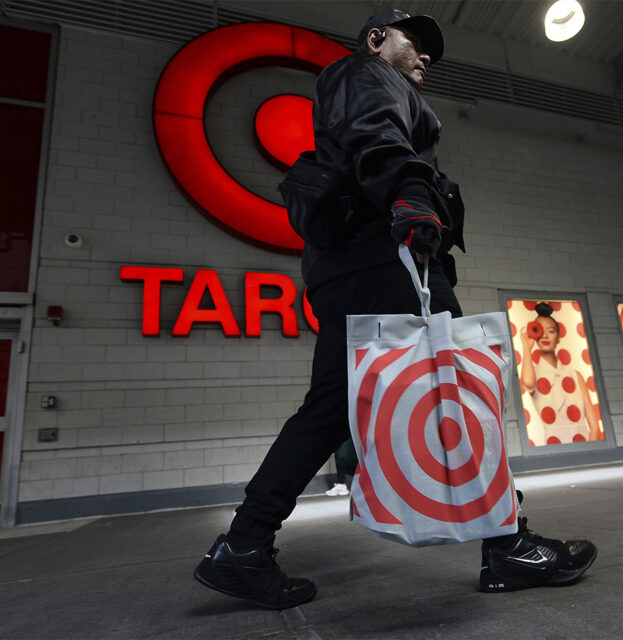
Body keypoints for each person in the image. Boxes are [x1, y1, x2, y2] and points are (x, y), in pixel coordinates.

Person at [193, 9, 597, 609]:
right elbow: (375, 133)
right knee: (459, 385)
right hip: (388, 254)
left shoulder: (370, 82)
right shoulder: (366, 73)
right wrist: (411, 194)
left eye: (432, 52)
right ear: (378, 38)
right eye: (417, 43)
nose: (426, 57)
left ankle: (244, 546)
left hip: (352, 264)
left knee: (330, 406)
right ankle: (508, 546)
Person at [520, 302, 600, 443]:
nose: (545, 336)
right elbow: (527, 382)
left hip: (584, 443)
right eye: (540, 330)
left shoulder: (575, 375)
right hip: (555, 444)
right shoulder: (534, 373)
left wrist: (592, 452)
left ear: (558, 337)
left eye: (551, 331)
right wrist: (526, 347)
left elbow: (594, 426)